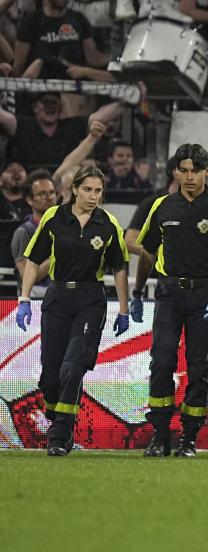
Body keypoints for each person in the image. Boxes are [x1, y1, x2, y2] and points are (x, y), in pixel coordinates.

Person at [130, 144, 208, 458]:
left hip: (203, 296)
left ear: (207, 171)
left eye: (196, 170)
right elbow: (148, 254)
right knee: (162, 362)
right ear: (175, 172)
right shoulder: (162, 207)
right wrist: (138, 293)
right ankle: (159, 435)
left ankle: (189, 438)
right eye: (184, 170)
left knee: (198, 367)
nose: (190, 176)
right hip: (167, 294)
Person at [15, 164, 130, 456]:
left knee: (72, 368)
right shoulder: (54, 217)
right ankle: (61, 422)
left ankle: (59, 434)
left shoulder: (108, 225)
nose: (93, 196)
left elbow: (119, 267)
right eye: (88, 189)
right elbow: (33, 259)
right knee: (49, 378)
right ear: (75, 189)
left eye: (98, 191)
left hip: (90, 299)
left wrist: (124, 308)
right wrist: (24, 299)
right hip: (56, 298)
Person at [13, 0, 107, 79]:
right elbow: (18, 67)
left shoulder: (79, 19)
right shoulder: (31, 21)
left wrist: (120, 58)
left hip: (73, 86)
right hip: (41, 87)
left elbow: (93, 59)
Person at [11, 170, 57, 298]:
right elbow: (26, 276)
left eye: (52, 192)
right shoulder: (24, 232)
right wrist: (56, 255)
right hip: (36, 299)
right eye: (42, 194)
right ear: (30, 200)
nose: (49, 197)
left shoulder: (67, 228)